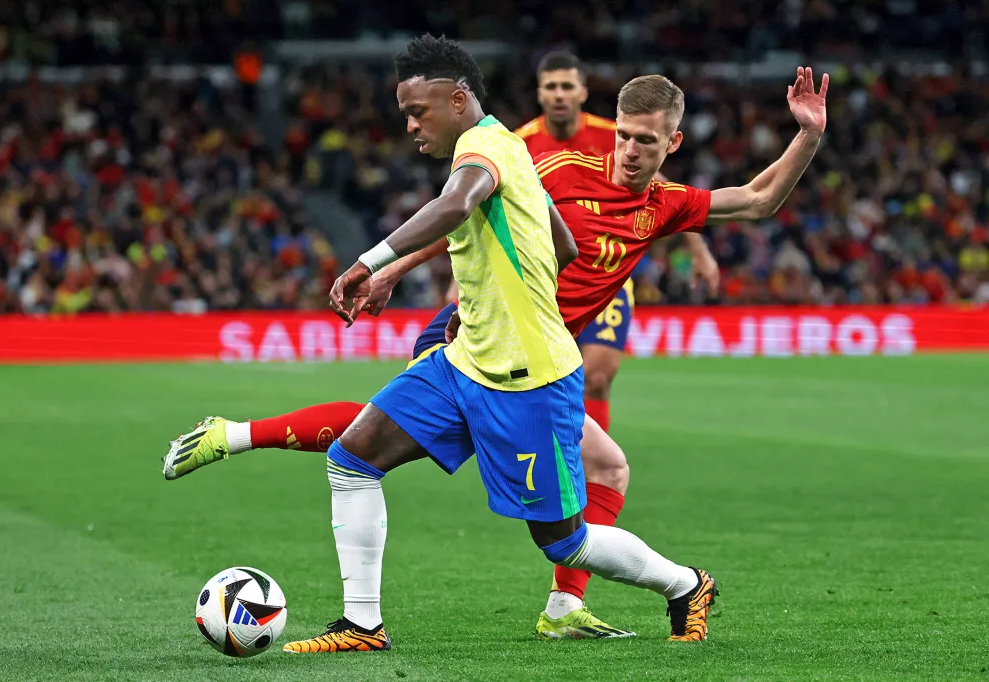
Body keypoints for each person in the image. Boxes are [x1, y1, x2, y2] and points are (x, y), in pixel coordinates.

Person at [164, 39, 829, 647]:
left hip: (533, 369)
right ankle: (362, 621)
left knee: (578, 518)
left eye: (645, 142)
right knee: (360, 452)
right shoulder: (552, 163)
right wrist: (402, 272)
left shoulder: (662, 206)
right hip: (476, 342)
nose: (629, 151)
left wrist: (807, 135)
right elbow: (466, 206)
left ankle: (665, 588)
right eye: (623, 136)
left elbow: (757, 199)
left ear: (672, 143)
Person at [516, 51, 718, 435]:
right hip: (543, 280)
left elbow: (665, 193)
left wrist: (699, 250)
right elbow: (482, 209)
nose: (559, 94)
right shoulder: (518, 144)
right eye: (551, 87)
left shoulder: (619, 134)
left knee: (596, 378)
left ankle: (591, 461)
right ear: (539, 93)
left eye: (567, 86)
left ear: (582, 92)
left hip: (609, 275)